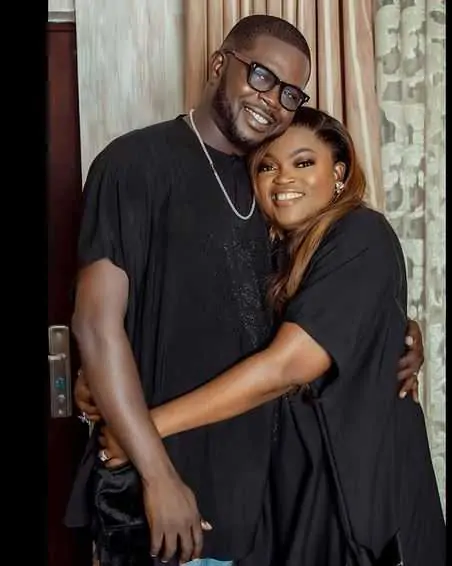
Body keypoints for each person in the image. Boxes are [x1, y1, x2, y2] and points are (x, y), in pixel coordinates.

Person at [66, 14, 425, 566]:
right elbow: (95, 323)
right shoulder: (134, 163)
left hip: (267, 505)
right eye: (260, 75)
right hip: (161, 489)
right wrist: (157, 470)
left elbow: (307, 318)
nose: (272, 100)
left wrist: (398, 332)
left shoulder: (278, 198)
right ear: (219, 65)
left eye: (289, 93)